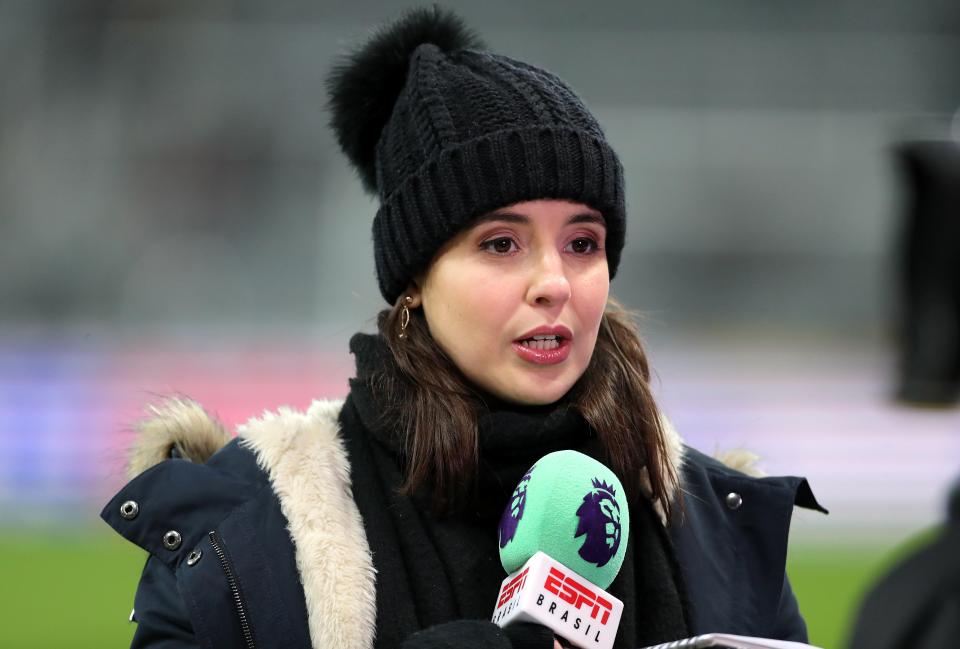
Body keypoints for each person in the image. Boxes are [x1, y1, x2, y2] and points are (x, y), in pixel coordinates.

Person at [102, 8, 826, 649]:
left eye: (583, 242)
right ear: (414, 279)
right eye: (501, 244)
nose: (554, 282)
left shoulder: (718, 527)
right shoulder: (247, 529)